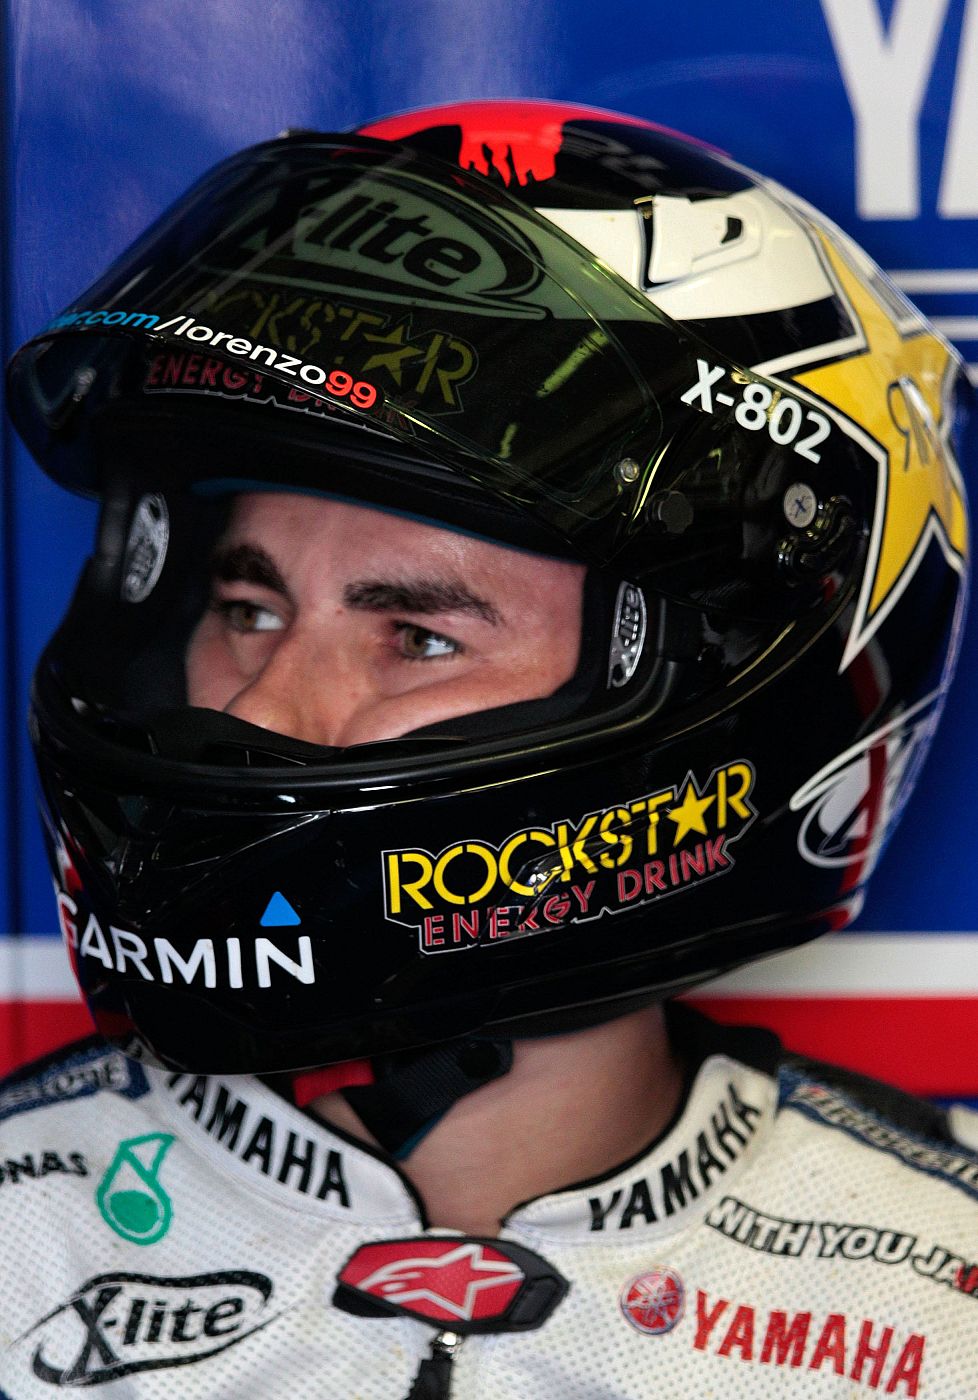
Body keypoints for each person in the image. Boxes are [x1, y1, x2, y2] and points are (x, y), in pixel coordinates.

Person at [0, 99, 975, 1398]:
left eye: (418, 638)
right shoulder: (27, 1237)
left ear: (727, 688)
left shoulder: (935, 1296)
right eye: (244, 610)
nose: (264, 708)